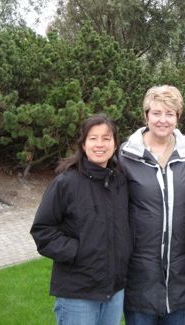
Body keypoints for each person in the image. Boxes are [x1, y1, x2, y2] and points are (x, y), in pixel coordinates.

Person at [30, 113, 131, 325]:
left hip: (114, 292)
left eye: (106, 138)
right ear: (83, 144)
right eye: (93, 138)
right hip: (78, 293)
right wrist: (77, 251)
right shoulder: (66, 182)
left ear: (115, 143)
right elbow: (43, 230)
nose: (100, 144)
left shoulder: (120, 181)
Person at [119, 85, 185, 325]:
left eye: (170, 114)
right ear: (146, 115)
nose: (162, 120)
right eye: (156, 113)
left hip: (180, 276)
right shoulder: (125, 157)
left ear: (178, 117)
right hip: (138, 276)